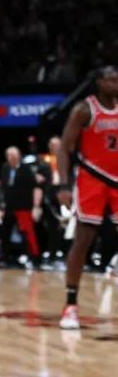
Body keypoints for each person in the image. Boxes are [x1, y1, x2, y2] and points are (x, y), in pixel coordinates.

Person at [57, 65, 118, 330]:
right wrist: (62, 184)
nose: (116, 82)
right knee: (83, 239)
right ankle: (70, 305)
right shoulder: (84, 109)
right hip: (92, 178)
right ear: (99, 82)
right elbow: (64, 148)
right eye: (111, 79)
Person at [0, 146, 44, 268]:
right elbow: (3, 189)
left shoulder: (26, 170)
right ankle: (4, 257)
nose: (12, 157)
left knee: (28, 233)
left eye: (14, 155)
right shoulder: (4, 168)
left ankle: (35, 258)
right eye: (9, 155)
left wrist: (36, 206)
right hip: (9, 206)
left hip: (24, 206)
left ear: (19, 156)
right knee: (5, 231)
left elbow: (36, 188)